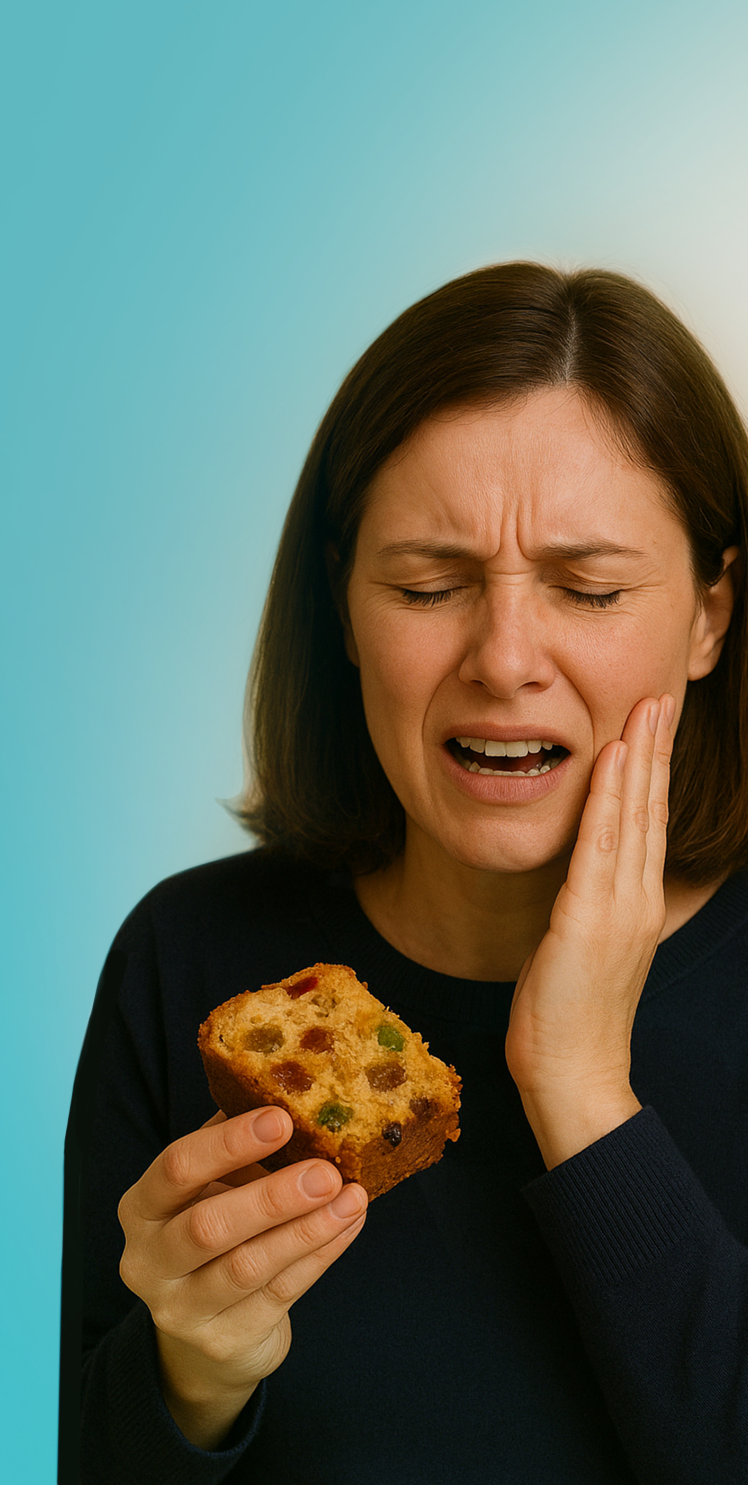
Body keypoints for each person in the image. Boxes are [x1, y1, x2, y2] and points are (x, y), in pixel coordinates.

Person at [61, 262, 748, 1485]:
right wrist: (191, 1378)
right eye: (427, 586)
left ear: (709, 616)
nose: (504, 659)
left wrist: (579, 1086)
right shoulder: (185, 956)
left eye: (589, 589)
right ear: (342, 605)